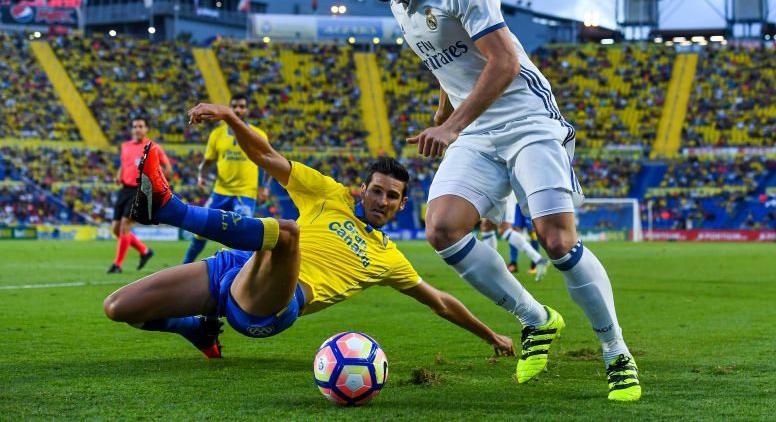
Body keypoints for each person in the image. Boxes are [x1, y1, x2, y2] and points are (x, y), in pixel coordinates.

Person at [335, 0, 640, 400]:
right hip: (475, 130)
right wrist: (441, 120)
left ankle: (616, 351)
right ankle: (536, 320)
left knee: (557, 242)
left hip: (526, 118)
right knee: (442, 229)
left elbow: (504, 61)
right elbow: (446, 70)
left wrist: (453, 126)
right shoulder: (398, 5)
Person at [103, 103, 515, 360]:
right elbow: (266, 155)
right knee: (119, 308)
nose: (381, 201)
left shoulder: (390, 259)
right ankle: (197, 329)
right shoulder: (329, 194)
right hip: (236, 265)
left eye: (391, 197)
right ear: (363, 190)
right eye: (376, 191)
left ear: (402, 205)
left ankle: (170, 209)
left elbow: (440, 302)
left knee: (286, 234)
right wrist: (231, 117)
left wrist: (491, 334)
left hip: (268, 306)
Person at [182, 94, 270, 264]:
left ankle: (237, 273)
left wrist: (264, 187)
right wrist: (202, 177)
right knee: (200, 230)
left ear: (247, 109)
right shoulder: (217, 134)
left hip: (245, 192)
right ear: (229, 108)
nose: (238, 110)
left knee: (242, 233)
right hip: (220, 191)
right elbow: (207, 162)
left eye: (242, 106)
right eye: (234, 106)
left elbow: (269, 161)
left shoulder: (258, 134)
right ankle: (184, 265)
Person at [107, 117, 170, 274]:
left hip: (140, 189)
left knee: (124, 226)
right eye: (135, 126)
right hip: (124, 189)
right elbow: (123, 164)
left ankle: (117, 265)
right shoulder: (125, 146)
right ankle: (144, 251)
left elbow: (168, 168)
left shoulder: (153, 147)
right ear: (132, 129)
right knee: (116, 229)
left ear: (146, 129)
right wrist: (118, 175)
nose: (137, 129)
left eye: (141, 126)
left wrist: (153, 182)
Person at [479, 195, 548, 280]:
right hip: (494, 192)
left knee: (505, 230)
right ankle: (490, 266)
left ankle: (538, 259)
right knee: (486, 227)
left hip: (504, 192)